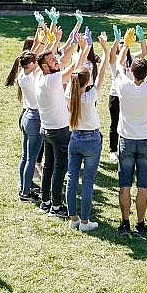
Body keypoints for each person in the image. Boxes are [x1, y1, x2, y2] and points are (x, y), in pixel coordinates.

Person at [113, 28, 147, 235]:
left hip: (126, 139)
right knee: (144, 186)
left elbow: (118, 65)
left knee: (124, 184)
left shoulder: (124, 85)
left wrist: (125, 45)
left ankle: (125, 222)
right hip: (146, 140)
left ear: (131, 71)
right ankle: (140, 223)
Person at [34, 23, 82, 217]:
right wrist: (82, 49)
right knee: (59, 169)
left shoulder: (40, 77)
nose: (56, 61)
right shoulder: (53, 80)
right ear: (45, 66)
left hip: (46, 130)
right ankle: (55, 206)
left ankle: (45, 202)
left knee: (48, 167)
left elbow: (55, 59)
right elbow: (73, 68)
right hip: (59, 132)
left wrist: (58, 41)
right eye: (53, 60)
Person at [66, 33, 111, 232]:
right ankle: (85, 221)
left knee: (72, 179)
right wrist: (106, 48)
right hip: (91, 139)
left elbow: (76, 72)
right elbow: (102, 71)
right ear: (86, 82)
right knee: (88, 182)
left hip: (75, 138)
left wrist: (84, 49)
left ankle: (73, 218)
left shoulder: (69, 94)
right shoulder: (91, 94)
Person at [6, 32, 43, 203]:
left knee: (24, 156)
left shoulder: (22, 73)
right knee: (31, 158)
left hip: (27, 116)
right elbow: (39, 54)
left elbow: (34, 53)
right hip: (35, 118)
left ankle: (23, 187)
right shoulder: (33, 75)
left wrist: (42, 39)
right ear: (32, 64)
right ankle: (26, 192)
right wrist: (51, 41)